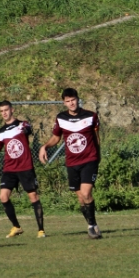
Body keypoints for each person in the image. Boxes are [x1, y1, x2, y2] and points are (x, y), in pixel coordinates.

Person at [39, 88, 102, 239]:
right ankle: (92, 225)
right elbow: (56, 138)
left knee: (86, 193)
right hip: (72, 162)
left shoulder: (91, 116)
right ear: (64, 103)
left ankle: (92, 227)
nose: (71, 103)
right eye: (68, 101)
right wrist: (44, 146)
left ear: (78, 99)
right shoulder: (61, 118)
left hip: (89, 159)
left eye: (73, 100)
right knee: (81, 198)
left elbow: (96, 137)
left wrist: (98, 155)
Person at [0, 101, 45, 238]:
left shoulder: (22, 124)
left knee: (33, 196)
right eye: (2, 111)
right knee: (3, 197)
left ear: (12, 110)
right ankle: (16, 227)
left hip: (25, 167)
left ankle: (41, 230)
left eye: (6, 110)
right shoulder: (1, 132)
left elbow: (28, 129)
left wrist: (26, 129)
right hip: (9, 169)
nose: (4, 113)